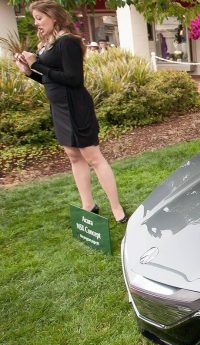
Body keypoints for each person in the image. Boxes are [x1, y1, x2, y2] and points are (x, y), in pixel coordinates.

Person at [13, 0, 127, 223]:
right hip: (60, 110)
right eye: (34, 19)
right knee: (74, 157)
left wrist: (37, 63)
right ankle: (88, 204)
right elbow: (50, 80)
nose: (36, 23)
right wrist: (29, 71)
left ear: (53, 16)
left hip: (76, 107)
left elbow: (74, 80)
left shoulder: (68, 42)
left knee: (94, 157)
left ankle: (116, 207)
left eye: (39, 18)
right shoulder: (48, 44)